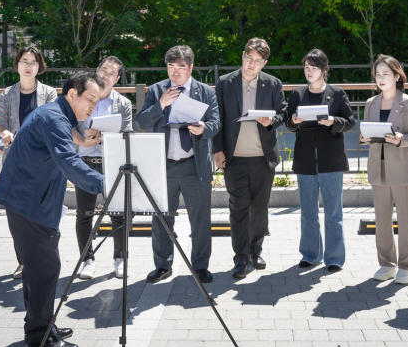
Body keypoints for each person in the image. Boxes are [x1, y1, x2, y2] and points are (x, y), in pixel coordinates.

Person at [0, 72, 105, 347]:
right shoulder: (54, 118)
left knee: (37, 269)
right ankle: (40, 336)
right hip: (27, 202)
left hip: (32, 201)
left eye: (97, 101)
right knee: (46, 268)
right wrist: (108, 183)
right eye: (90, 99)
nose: (93, 107)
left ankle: (41, 327)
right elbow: (69, 162)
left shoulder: (57, 115)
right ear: (71, 94)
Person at [137, 45, 220, 284]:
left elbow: (216, 122)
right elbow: (142, 121)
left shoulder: (205, 91)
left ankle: (201, 266)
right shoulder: (156, 90)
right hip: (165, 166)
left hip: (195, 165)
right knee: (162, 218)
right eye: (171, 66)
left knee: (201, 218)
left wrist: (204, 128)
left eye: (181, 67)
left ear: (191, 67)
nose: (175, 72)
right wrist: (160, 105)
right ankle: (163, 265)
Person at [212, 37, 288, 279]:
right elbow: (217, 119)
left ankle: (256, 250)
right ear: (242, 55)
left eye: (258, 61)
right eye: (249, 58)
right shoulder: (225, 83)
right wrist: (217, 150)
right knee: (238, 207)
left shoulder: (273, 84)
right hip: (234, 156)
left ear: (264, 63)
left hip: (262, 156)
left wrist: (272, 121)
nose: (252, 64)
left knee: (260, 207)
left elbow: (283, 112)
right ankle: (240, 258)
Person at [286, 49, 356, 272]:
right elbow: (288, 122)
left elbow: (350, 121)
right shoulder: (297, 94)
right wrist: (294, 121)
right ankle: (310, 254)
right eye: (306, 67)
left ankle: (334, 258)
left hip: (331, 159)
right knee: (308, 212)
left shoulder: (337, 93)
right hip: (305, 159)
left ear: (324, 70)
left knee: (333, 213)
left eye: (313, 68)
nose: (308, 71)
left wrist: (333, 121)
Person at [360, 54, 408, 285]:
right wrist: (365, 138)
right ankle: (386, 264)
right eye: (377, 74)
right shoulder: (371, 103)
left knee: (406, 219)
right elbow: (369, 132)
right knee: (382, 219)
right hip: (379, 167)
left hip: (403, 167)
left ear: (397, 76)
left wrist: (401, 139)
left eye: (386, 73)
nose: (381, 78)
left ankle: (406, 267)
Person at [0, 45, 57, 280]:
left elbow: (52, 124)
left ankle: (38, 260)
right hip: (14, 159)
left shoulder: (50, 94)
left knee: (38, 212)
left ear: (39, 66)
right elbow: (1, 123)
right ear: (17, 65)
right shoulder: (7, 94)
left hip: (41, 161)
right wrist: (4, 134)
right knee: (16, 214)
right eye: (24, 61)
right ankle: (22, 262)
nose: (28, 65)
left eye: (33, 61)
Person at [72, 56, 132, 280]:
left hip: (112, 163)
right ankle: (87, 260)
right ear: (96, 70)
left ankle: (120, 258)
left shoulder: (123, 104)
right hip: (84, 163)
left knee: (118, 213)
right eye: (103, 70)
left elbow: (127, 134)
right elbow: (69, 126)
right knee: (84, 215)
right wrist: (82, 137)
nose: (106, 75)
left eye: (111, 73)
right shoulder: (83, 95)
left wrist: (103, 137)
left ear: (117, 79)